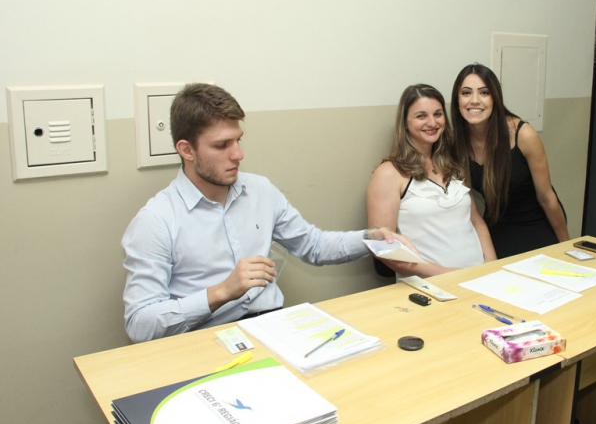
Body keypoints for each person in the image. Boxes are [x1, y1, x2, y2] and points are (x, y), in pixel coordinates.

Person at [122, 83, 409, 343]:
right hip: (207, 342)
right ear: (187, 150)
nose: (238, 154)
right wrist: (220, 292)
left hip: (275, 329)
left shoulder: (260, 191)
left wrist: (372, 238)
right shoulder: (156, 221)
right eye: (222, 145)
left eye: (238, 140)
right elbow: (139, 324)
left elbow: (314, 245)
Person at [366, 84, 496, 277]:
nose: (432, 122)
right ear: (405, 123)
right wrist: (448, 275)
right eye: (421, 116)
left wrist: (492, 267)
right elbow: (384, 247)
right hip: (431, 284)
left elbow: (476, 222)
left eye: (438, 114)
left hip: (478, 277)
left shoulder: (453, 163)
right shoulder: (388, 174)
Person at [450, 63, 568, 259]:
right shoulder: (456, 144)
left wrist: (567, 246)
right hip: (497, 226)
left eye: (484, 93)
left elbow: (547, 197)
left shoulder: (523, 134)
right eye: (466, 93)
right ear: (457, 100)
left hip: (534, 225)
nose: (475, 100)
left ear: (495, 98)